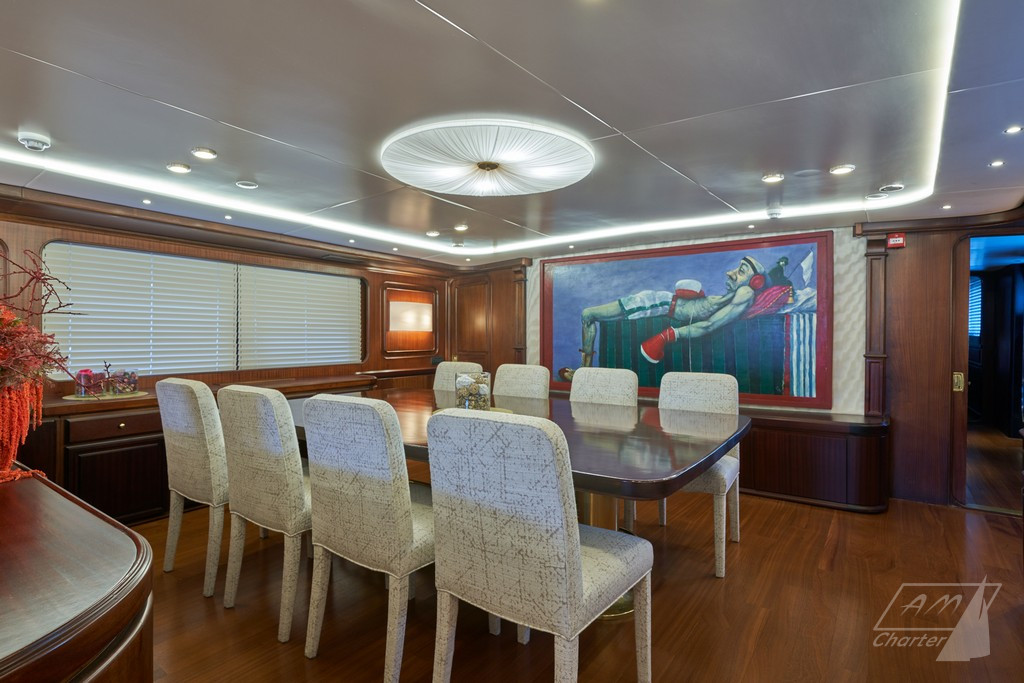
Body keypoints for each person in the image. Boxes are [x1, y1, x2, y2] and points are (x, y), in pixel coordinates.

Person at [575, 255, 768, 368]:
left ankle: (585, 369)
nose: (730, 273)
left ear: (756, 281)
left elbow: (708, 326)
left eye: (741, 271)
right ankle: (585, 368)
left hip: (658, 303)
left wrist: (668, 335)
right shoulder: (730, 297)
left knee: (588, 314)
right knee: (588, 314)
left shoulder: (745, 293)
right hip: (657, 301)